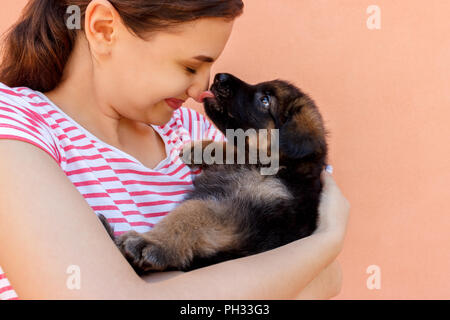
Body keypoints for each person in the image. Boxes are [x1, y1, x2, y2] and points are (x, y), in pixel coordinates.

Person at [0, 0, 350, 300]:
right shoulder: (15, 123)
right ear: (104, 29)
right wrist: (325, 243)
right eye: (189, 67)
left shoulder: (194, 134)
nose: (202, 89)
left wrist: (152, 287)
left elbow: (327, 277)